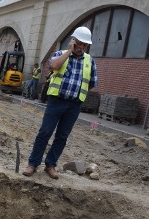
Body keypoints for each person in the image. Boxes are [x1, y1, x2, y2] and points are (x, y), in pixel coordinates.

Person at [22, 26, 98, 179]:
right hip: (56, 102)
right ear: (73, 41)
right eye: (79, 43)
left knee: (62, 136)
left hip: (74, 105)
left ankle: (50, 165)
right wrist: (69, 51)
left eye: (85, 45)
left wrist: (77, 93)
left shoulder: (90, 61)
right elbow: (53, 66)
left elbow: (92, 83)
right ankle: (33, 164)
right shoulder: (60, 54)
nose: (82, 47)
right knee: (45, 133)